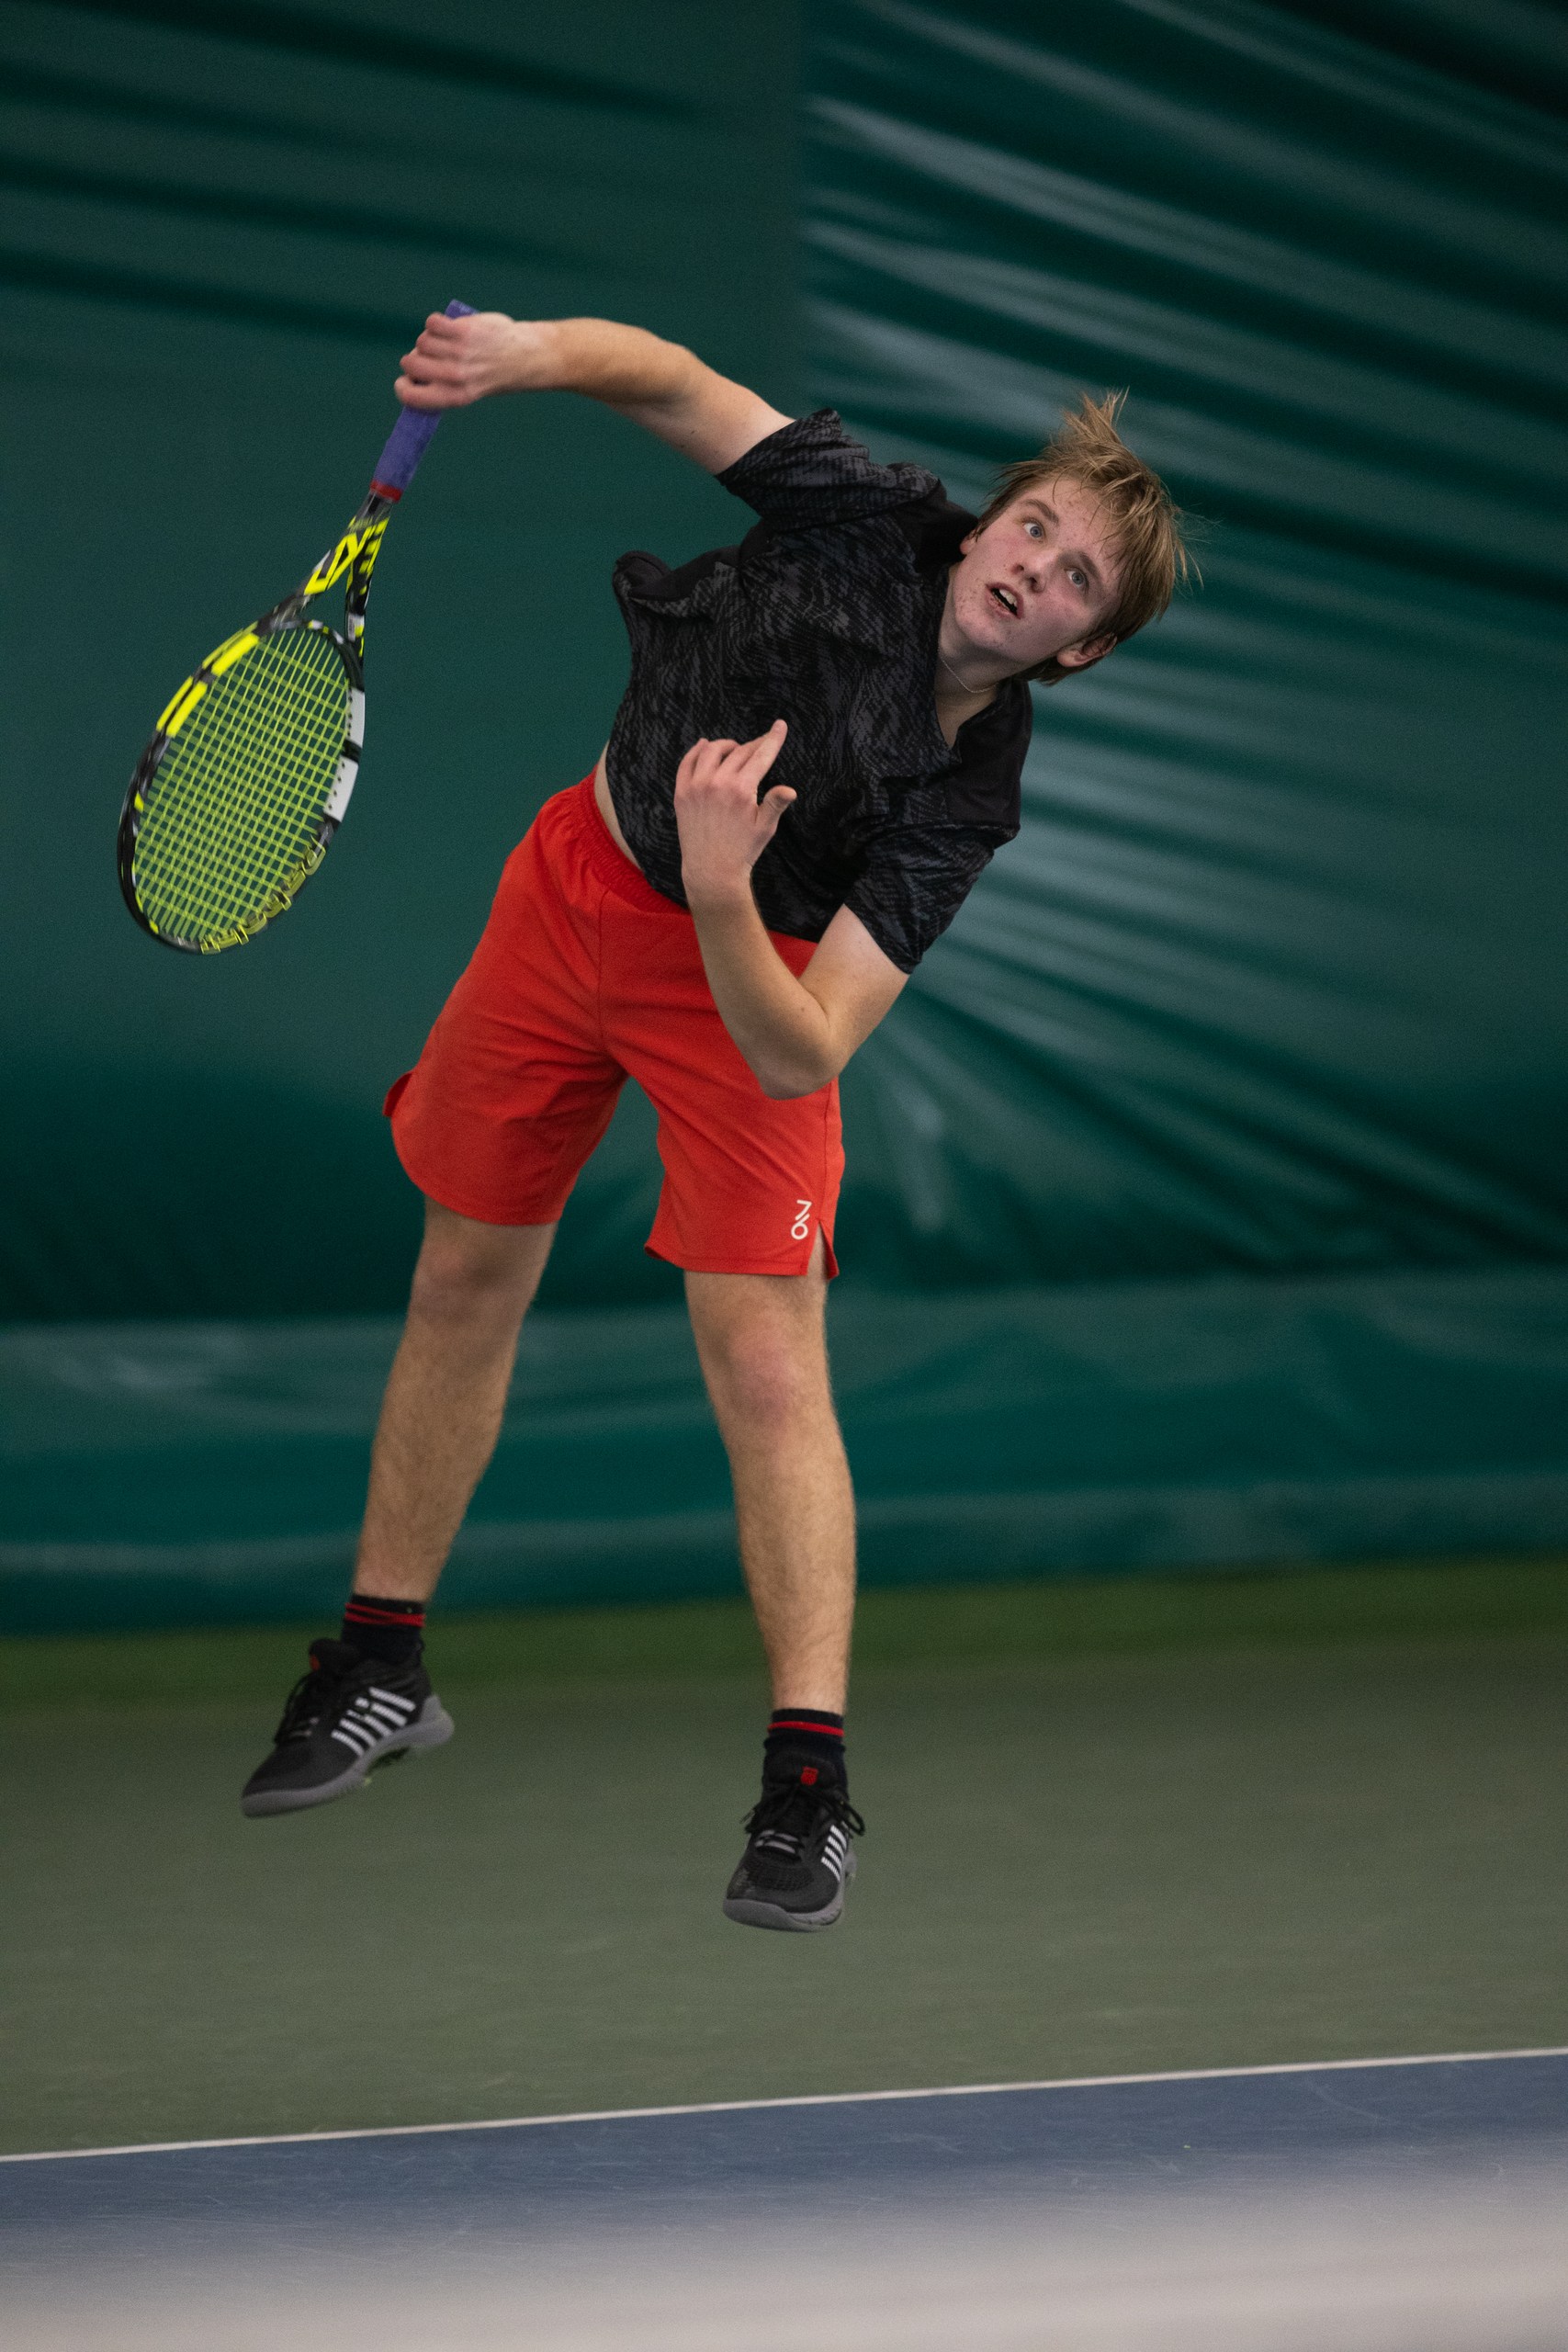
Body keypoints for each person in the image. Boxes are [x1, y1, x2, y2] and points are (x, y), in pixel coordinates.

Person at [240, 311, 1190, 1930]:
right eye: (1034, 526)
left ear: (1080, 647)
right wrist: (525, 353)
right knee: (463, 1274)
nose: (1036, 566)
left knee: (765, 1360)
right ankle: (381, 1661)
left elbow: (805, 1050)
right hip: (573, 888)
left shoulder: (965, 794)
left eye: (1076, 578)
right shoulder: (864, 514)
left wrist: (726, 889)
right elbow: (678, 385)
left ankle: (806, 1789)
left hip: (753, 975)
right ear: (989, 525)